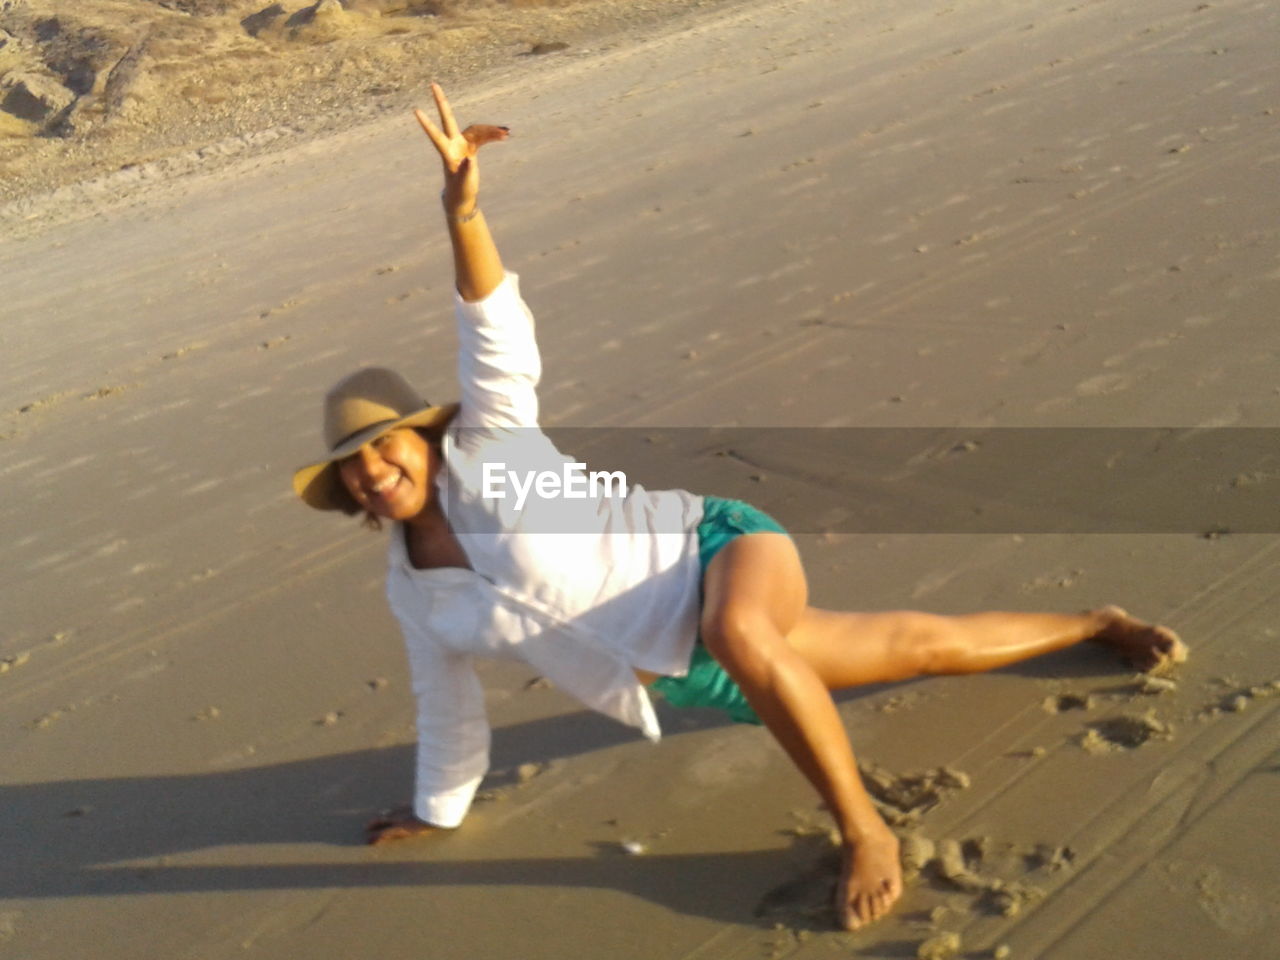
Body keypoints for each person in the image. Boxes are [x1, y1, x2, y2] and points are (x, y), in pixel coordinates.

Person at [292, 84, 1187, 931]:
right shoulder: (419, 593)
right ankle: (1091, 622)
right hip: (700, 665)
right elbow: (445, 704)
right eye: (356, 469)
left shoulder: (492, 448)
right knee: (921, 647)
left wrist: (463, 215)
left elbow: (494, 334)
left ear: (423, 439)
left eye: (386, 446)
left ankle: (863, 828)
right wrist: (434, 812)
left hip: (721, 551)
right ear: (349, 496)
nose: (375, 471)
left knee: (741, 634)